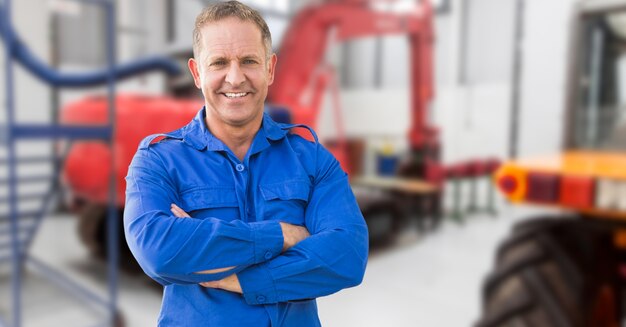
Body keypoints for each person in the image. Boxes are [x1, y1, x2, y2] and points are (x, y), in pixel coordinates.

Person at [123, 1, 368, 326]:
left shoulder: (311, 159)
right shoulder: (159, 159)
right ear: (197, 73)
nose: (235, 78)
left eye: (249, 61)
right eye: (220, 62)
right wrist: (282, 235)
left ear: (270, 68)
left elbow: (347, 255)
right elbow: (159, 251)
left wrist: (236, 278)